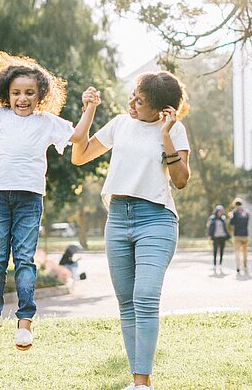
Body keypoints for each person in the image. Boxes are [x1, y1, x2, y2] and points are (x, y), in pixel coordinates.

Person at [71, 71, 191, 390]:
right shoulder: (120, 124)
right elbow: (79, 156)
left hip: (157, 219)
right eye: (134, 95)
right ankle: (139, 382)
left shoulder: (175, 129)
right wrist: (89, 110)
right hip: (118, 218)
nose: (133, 103)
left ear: (162, 110)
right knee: (127, 302)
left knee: (145, 296)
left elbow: (180, 180)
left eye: (141, 101)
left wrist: (165, 135)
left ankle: (142, 383)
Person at [0, 51, 85, 351]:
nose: (22, 98)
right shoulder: (0, 116)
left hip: (29, 198)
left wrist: (90, 108)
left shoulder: (46, 122)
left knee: (24, 260)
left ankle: (25, 323)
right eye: (16, 92)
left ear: (40, 94)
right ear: (7, 93)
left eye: (29, 93)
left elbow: (79, 137)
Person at [229, 198, 250, 274]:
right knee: (244, 251)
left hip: (237, 234)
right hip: (245, 234)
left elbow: (231, 223)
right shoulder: (246, 212)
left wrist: (231, 216)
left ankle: (238, 266)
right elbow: (247, 221)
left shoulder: (234, 212)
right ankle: (245, 265)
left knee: (237, 251)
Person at [206, 205, 229, 274]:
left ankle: (220, 264)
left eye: (221, 211)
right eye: (219, 211)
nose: (220, 212)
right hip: (215, 237)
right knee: (215, 251)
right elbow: (208, 226)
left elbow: (225, 228)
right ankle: (214, 265)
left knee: (222, 251)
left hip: (222, 236)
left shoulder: (223, 218)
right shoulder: (212, 218)